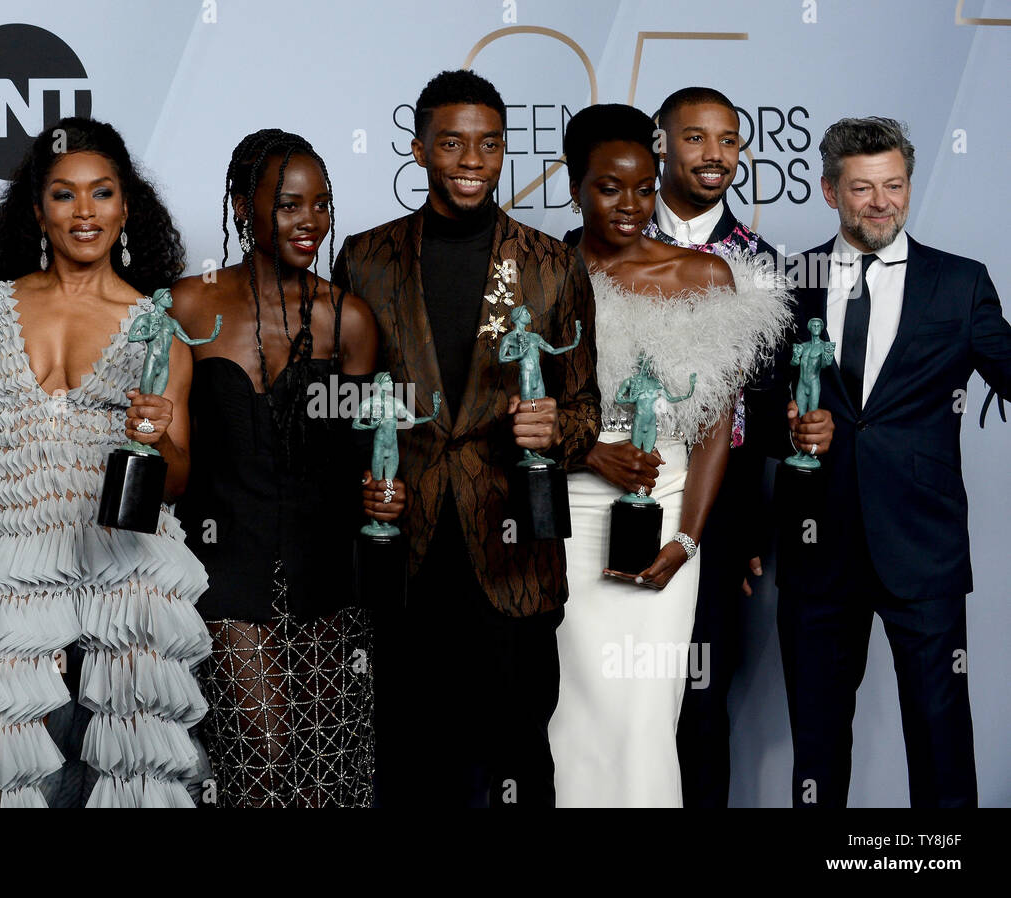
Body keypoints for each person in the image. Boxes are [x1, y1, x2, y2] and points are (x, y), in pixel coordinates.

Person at [0, 117, 211, 807]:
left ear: (126, 207)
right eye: (64, 195)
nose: (85, 212)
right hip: (11, 588)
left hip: (130, 587)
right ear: (36, 211)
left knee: (124, 781)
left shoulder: (157, 325)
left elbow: (174, 479)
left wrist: (161, 431)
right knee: (12, 780)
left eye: (102, 193)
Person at [333, 70, 601, 808]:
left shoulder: (553, 265)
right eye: (452, 143)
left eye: (488, 144)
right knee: (408, 760)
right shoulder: (364, 258)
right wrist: (364, 471)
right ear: (419, 149)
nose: (471, 160)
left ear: (506, 151)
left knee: (516, 759)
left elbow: (585, 407)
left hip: (512, 546)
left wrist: (556, 429)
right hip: (403, 552)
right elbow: (337, 405)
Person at [757, 117, 1011, 807]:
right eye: (862, 188)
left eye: (894, 186)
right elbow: (749, 414)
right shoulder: (787, 282)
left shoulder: (960, 284)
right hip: (817, 548)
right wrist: (785, 430)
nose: (880, 203)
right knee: (817, 739)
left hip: (922, 549)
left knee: (940, 736)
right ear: (829, 190)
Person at [548, 103, 795, 807]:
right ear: (574, 187)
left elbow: (716, 425)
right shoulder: (540, 274)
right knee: (570, 716)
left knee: (648, 719)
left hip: (666, 519)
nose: (630, 204)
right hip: (566, 523)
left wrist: (686, 539)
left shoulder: (704, 277)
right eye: (607, 187)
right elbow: (513, 408)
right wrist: (591, 451)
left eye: (644, 185)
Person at [170, 129, 380, 807]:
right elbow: (169, 463)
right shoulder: (188, 306)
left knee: (324, 771)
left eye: (321, 204)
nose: (310, 221)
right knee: (257, 755)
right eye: (289, 204)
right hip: (224, 573)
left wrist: (383, 490)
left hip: (328, 577)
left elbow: (358, 451)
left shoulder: (348, 320)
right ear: (241, 206)